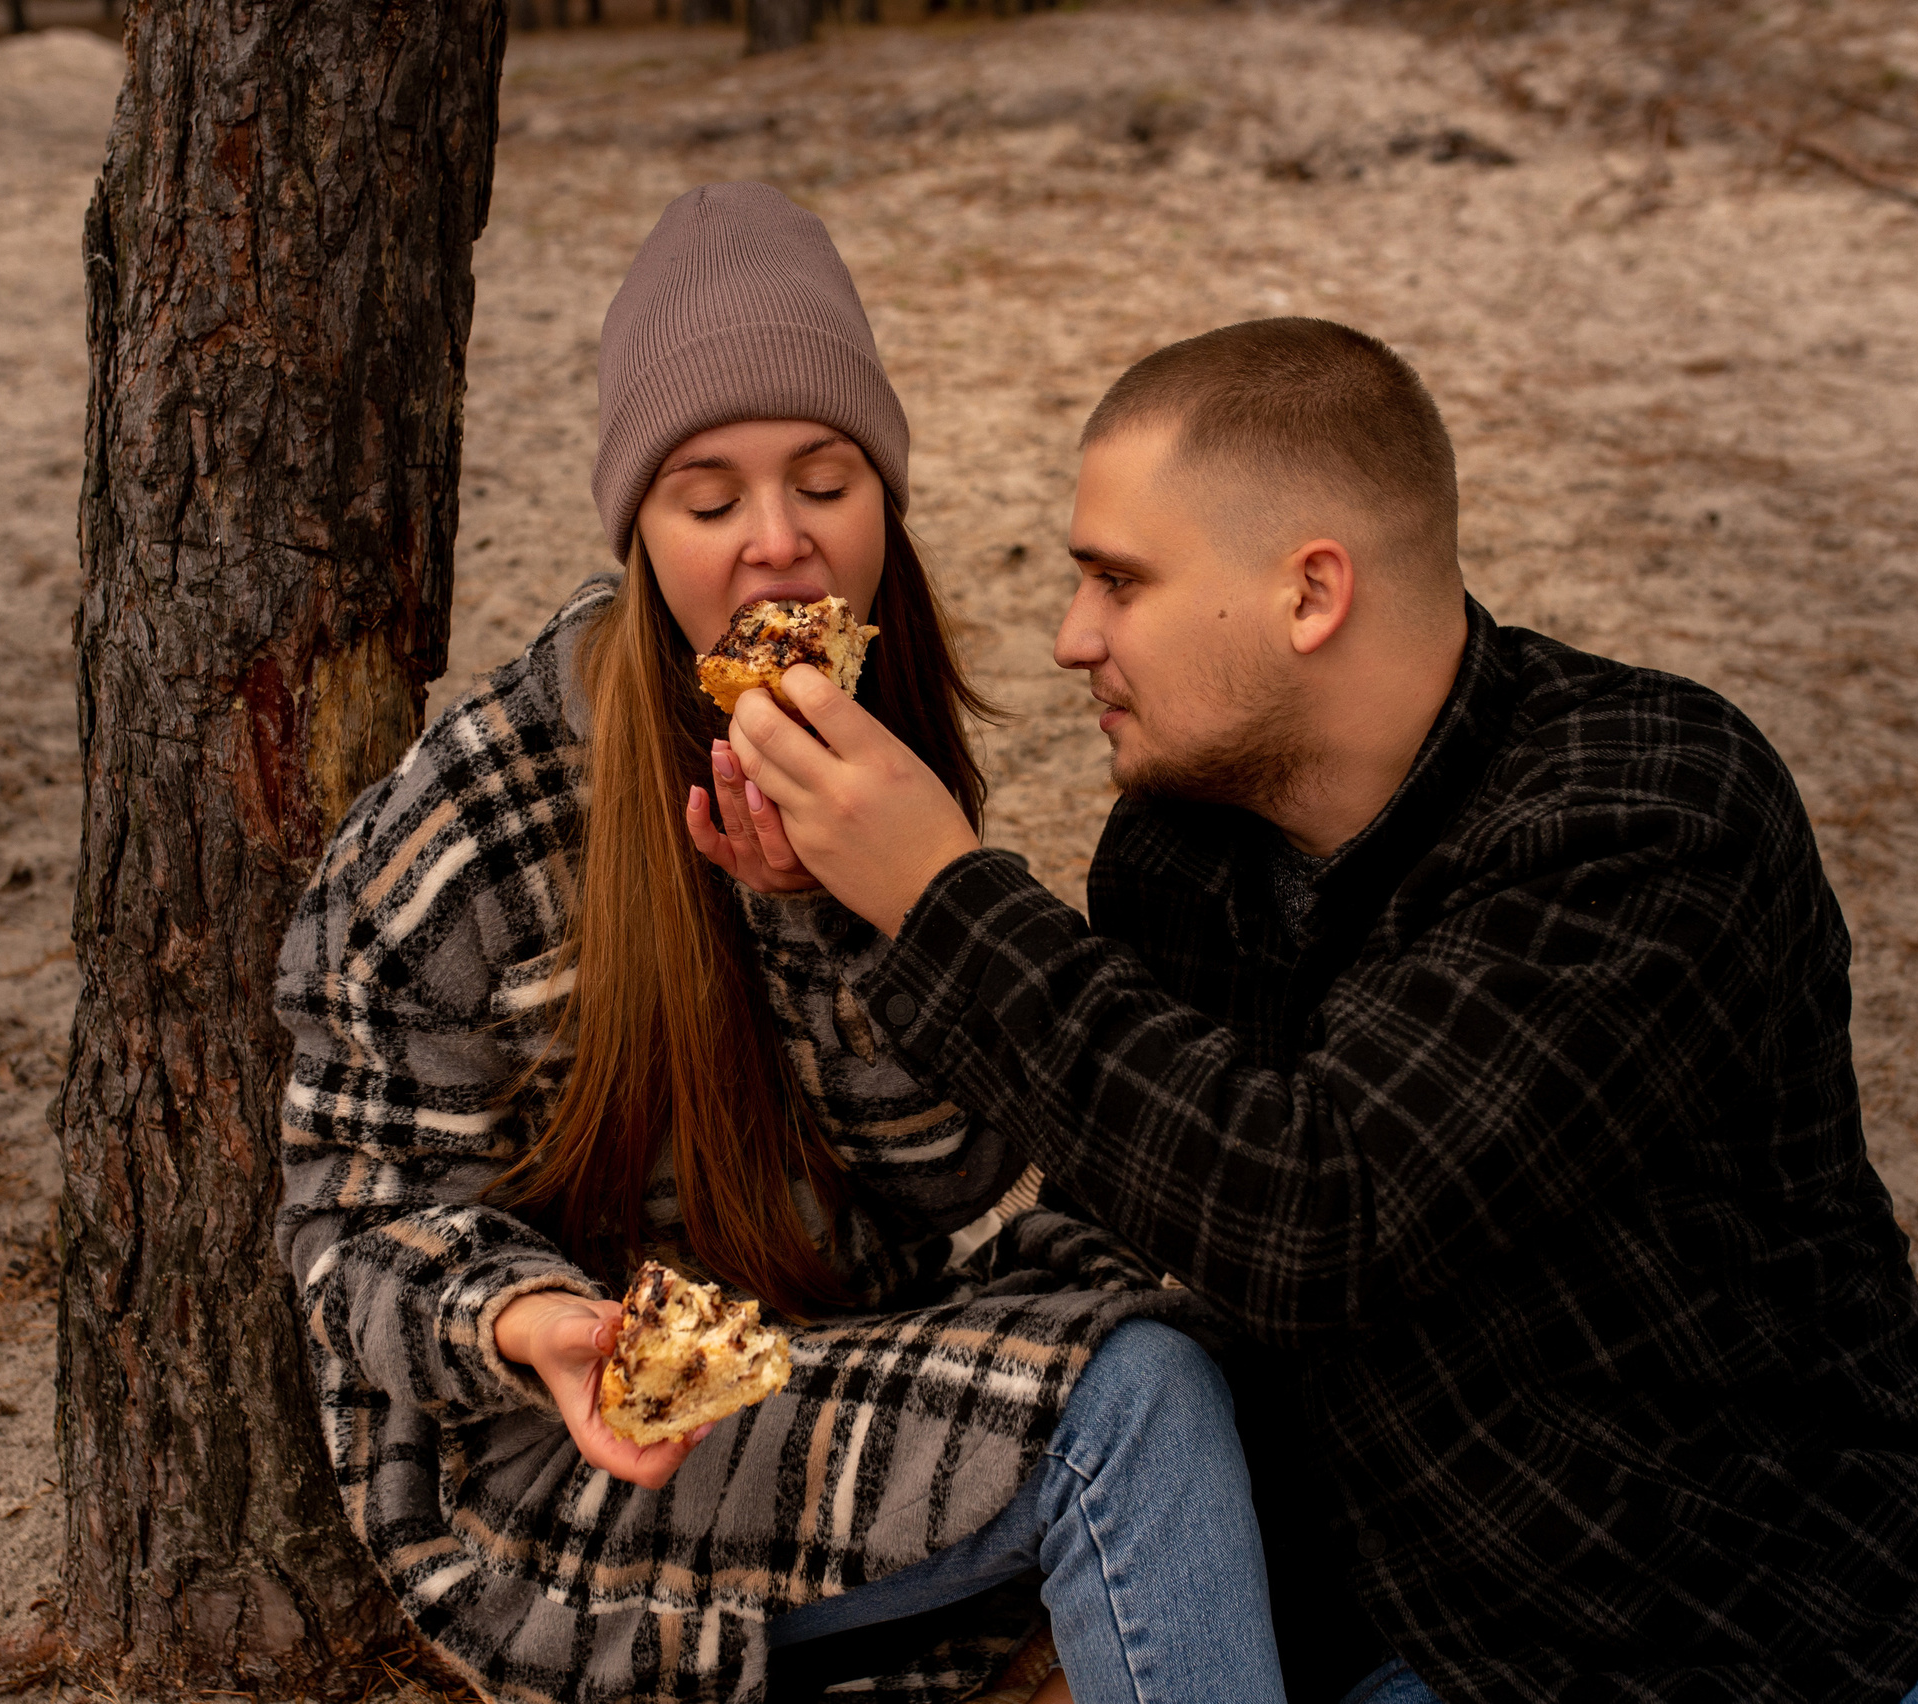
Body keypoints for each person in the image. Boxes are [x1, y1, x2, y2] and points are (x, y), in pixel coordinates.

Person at [716, 317, 1918, 1704]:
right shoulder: (1176, 864)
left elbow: (1313, 1208)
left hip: (1846, 1605)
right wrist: (840, 908)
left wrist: (941, 891)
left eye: (1119, 581)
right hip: (1487, 1653)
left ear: (1310, 591)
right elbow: (1154, 1203)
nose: (1069, 636)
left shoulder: (1651, 809)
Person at [271, 184, 1290, 1704]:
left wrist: (852, 914)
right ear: (637, 532)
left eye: (827, 482)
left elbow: (962, 1206)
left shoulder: (887, 756)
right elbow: (349, 1217)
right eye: (707, 499)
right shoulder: (469, 828)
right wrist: (529, 1319)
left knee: (1221, 1313)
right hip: (568, 1458)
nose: (779, 547)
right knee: (1137, 1404)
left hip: (838, 1348)